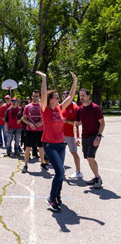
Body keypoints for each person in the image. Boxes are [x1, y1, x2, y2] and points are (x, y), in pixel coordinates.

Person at [36, 70, 77, 212]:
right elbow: (42, 94)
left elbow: (71, 96)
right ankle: (51, 198)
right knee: (59, 172)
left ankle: (57, 196)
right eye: (56, 97)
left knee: (61, 173)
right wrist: (44, 78)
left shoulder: (60, 109)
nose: (59, 99)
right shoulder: (44, 109)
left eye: (59, 97)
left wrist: (75, 81)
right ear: (50, 98)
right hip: (49, 145)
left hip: (61, 145)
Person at [74, 89, 105, 189]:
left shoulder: (95, 108)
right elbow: (76, 124)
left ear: (88, 96)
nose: (81, 98)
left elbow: (102, 123)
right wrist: (75, 137)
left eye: (83, 95)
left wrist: (98, 136)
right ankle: (96, 177)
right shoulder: (80, 109)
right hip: (85, 137)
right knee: (88, 158)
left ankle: (98, 178)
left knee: (90, 157)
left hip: (94, 136)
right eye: (80, 96)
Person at [21, 89, 49, 174]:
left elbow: (46, 117)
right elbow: (24, 118)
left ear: (39, 97)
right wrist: (30, 124)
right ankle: (25, 165)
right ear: (31, 96)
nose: (35, 98)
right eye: (33, 96)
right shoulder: (27, 106)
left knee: (41, 147)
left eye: (37, 96)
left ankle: (42, 163)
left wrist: (41, 122)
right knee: (28, 148)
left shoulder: (42, 106)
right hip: (30, 130)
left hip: (40, 130)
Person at [61, 90, 83, 178]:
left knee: (73, 152)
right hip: (61, 133)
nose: (64, 97)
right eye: (63, 96)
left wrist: (66, 121)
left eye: (66, 96)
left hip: (71, 134)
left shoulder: (76, 107)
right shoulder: (61, 106)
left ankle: (78, 172)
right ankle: (60, 170)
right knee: (60, 152)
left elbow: (79, 122)